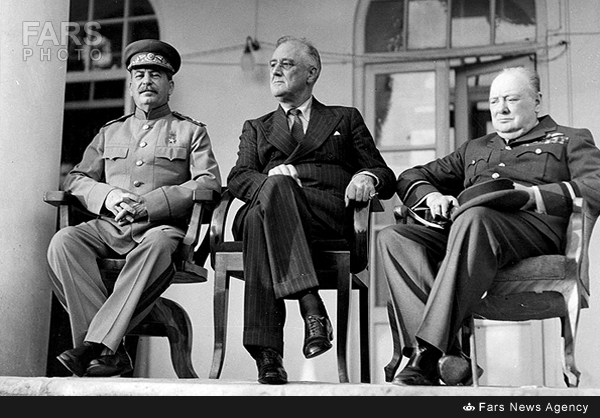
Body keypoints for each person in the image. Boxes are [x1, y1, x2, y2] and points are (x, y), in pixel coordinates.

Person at [377, 66, 600, 386]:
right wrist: (434, 196)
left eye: (511, 99)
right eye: (495, 101)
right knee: (394, 237)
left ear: (537, 101)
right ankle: (449, 357)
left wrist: (533, 195)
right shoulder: (475, 148)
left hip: (533, 231)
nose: (501, 109)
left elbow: (596, 184)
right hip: (470, 233)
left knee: (475, 217)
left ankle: (426, 354)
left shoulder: (570, 138)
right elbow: (411, 176)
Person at [46, 39, 221, 377]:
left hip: (159, 229)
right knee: (64, 241)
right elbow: (77, 178)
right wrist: (108, 195)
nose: (146, 81)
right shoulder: (110, 131)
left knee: (157, 243)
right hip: (110, 227)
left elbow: (208, 183)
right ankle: (107, 351)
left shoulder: (191, 132)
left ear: (170, 86)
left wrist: (149, 205)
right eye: (139, 75)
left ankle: (93, 347)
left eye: (155, 75)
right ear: (130, 85)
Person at [227, 36, 396, 384]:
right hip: (271, 206)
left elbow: (384, 174)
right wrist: (273, 182)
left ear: (311, 72)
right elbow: (238, 177)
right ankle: (311, 305)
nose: (275, 71)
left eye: (286, 64)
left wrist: (366, 176)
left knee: (260, 219)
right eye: (272, 64)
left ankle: (268, 355)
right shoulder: (257, 127)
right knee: (272, 193)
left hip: (323, 217)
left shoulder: (344, 119)